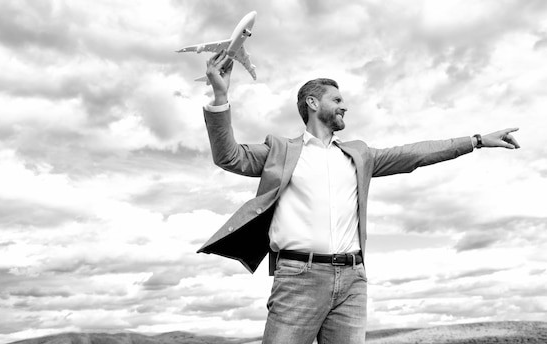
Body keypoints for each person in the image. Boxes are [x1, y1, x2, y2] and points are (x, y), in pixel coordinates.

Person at [197, 50, 520, 344]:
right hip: (299, 277)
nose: (344, 106)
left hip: (353, 278)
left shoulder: (359, 155)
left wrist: (476, 140)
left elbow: (414, 154)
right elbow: (229, 157)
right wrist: (221, 96)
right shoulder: (280, 151)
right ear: (312, 103)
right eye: (336, 99)